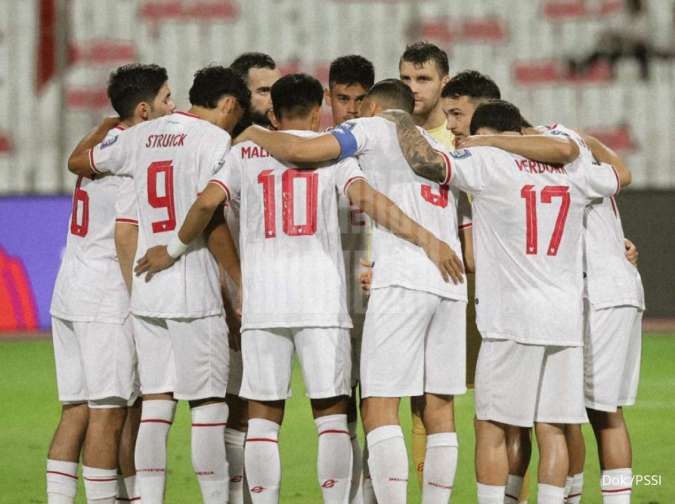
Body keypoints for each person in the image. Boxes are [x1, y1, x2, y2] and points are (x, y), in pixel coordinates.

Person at [134, 73, 462, 504]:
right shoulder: (334, 153)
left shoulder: (245, 151)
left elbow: (206, 203)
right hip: (322, 299)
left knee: (264, 418)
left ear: (273, 112)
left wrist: (172, 250)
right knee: (330, 415)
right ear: (317, 110)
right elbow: (368, 200)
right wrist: (427, 238)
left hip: (263, 298)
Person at [381, 99, 631, 504]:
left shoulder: (488, 163)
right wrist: (587, 143)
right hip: (564, 319)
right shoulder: (572, 170)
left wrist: (398, 120)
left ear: (484, 134)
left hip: (511, 319)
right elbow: (620, 176)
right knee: (552, 428)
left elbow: (427, 163)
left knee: (493, 427)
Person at [234, 78, 467, 504]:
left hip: (402, 277)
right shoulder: (436, 147)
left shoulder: (366, 131)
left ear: (374, 108)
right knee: (439, 409)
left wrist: (252, 132)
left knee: (377, 407)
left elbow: (303, 153)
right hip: (450, 283)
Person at [67, 65, 249, 504]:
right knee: (208, 408)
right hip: (191, 287)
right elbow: (213, 220)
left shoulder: (139, 135)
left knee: (156, 405)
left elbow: (80, 163)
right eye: (236, 113)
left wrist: (107, 124)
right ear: (228, 105)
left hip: (147, 288)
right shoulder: (214, 141)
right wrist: (240, 282)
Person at [47, 63, 175, 504]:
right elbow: (126, 234)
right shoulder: (134, 153)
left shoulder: (102, 144)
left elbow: (73, 162)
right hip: (105, 295)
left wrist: (108, 120)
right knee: (108, 414)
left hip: (69, 288)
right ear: (144, 109)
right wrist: (139, 300)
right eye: (166, 99)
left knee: (76, 412)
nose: (171, 108)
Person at [229, 50, 281, 503]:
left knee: (248, 402)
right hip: (223, 284)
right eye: (262, 89)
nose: (271, 96)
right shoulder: (221, 144)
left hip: (259, 288)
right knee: (228, 402)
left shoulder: (277, 140)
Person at [325, 53, 375, 504]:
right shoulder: (315, 152)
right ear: (329, 97)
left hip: (378, 300)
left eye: (361, 99)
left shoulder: (384, 152)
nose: (352, 109)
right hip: (330, 302)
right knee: (339, 412)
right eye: (344, 99)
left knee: (379, 410)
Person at [231, 52, 281, 129]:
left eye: (278, 89)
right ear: (239, 94)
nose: (275, 99)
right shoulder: (221, 137)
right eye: (264, 91)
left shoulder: (296, 132)